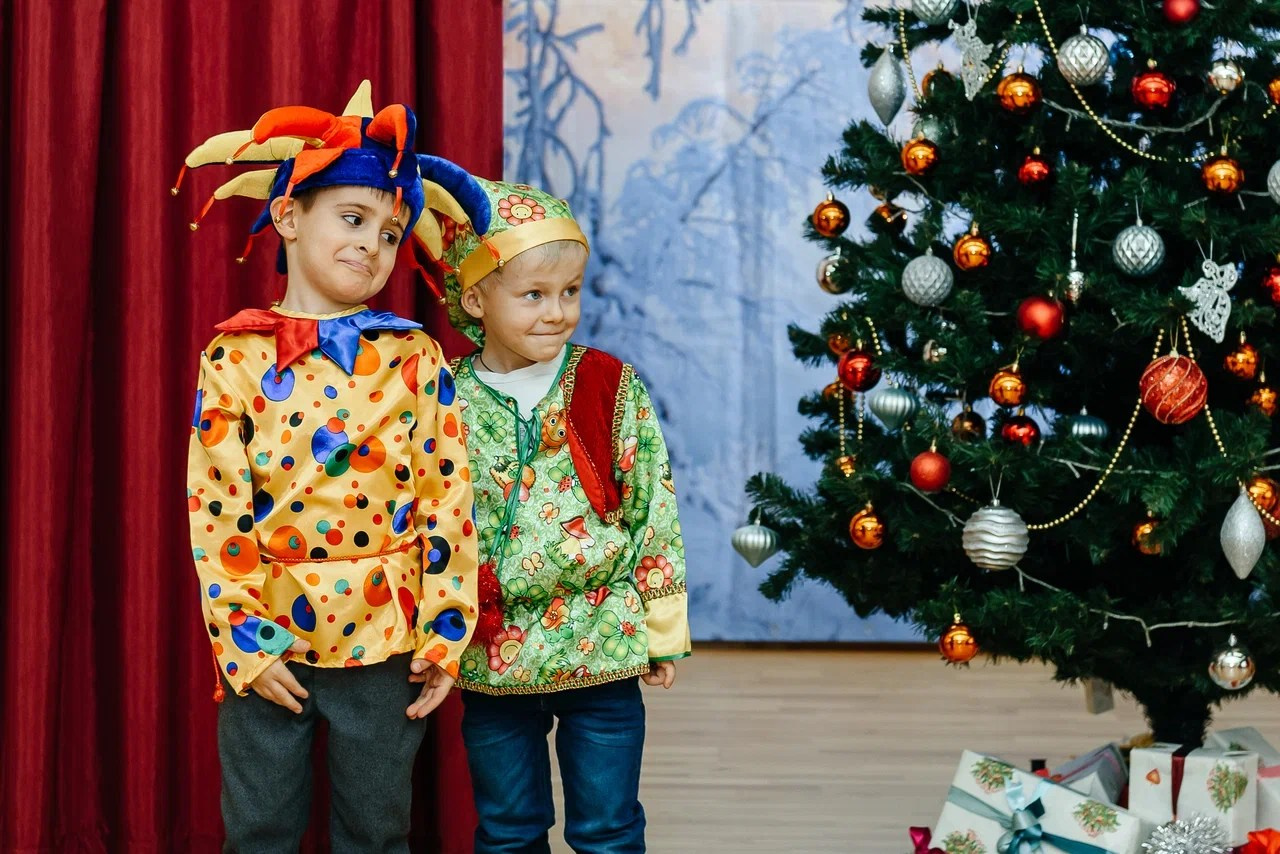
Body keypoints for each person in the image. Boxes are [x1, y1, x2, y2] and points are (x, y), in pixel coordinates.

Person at [180, 82, 487, 852]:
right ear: (288, 216)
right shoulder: (233, 356)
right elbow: (215, 505)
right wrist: (244, 640)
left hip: (386, 639)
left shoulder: (415, 356)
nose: (372, 245)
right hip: (268, 637)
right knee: (259, 830)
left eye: (390, 234)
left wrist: (446, 632)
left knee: (377, 831)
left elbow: (448, 497)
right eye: (353, 219)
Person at [432, 177, 691, 852]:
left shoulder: (609, 384)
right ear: (475, 298)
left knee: (607, 829)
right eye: (534, 295)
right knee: (509, 829)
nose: (557, 312)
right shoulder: (441, 400)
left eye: (570, 292)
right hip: (491, 657)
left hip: (598, 643)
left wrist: (661, 626)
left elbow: (651, 506)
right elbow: (425, 517)